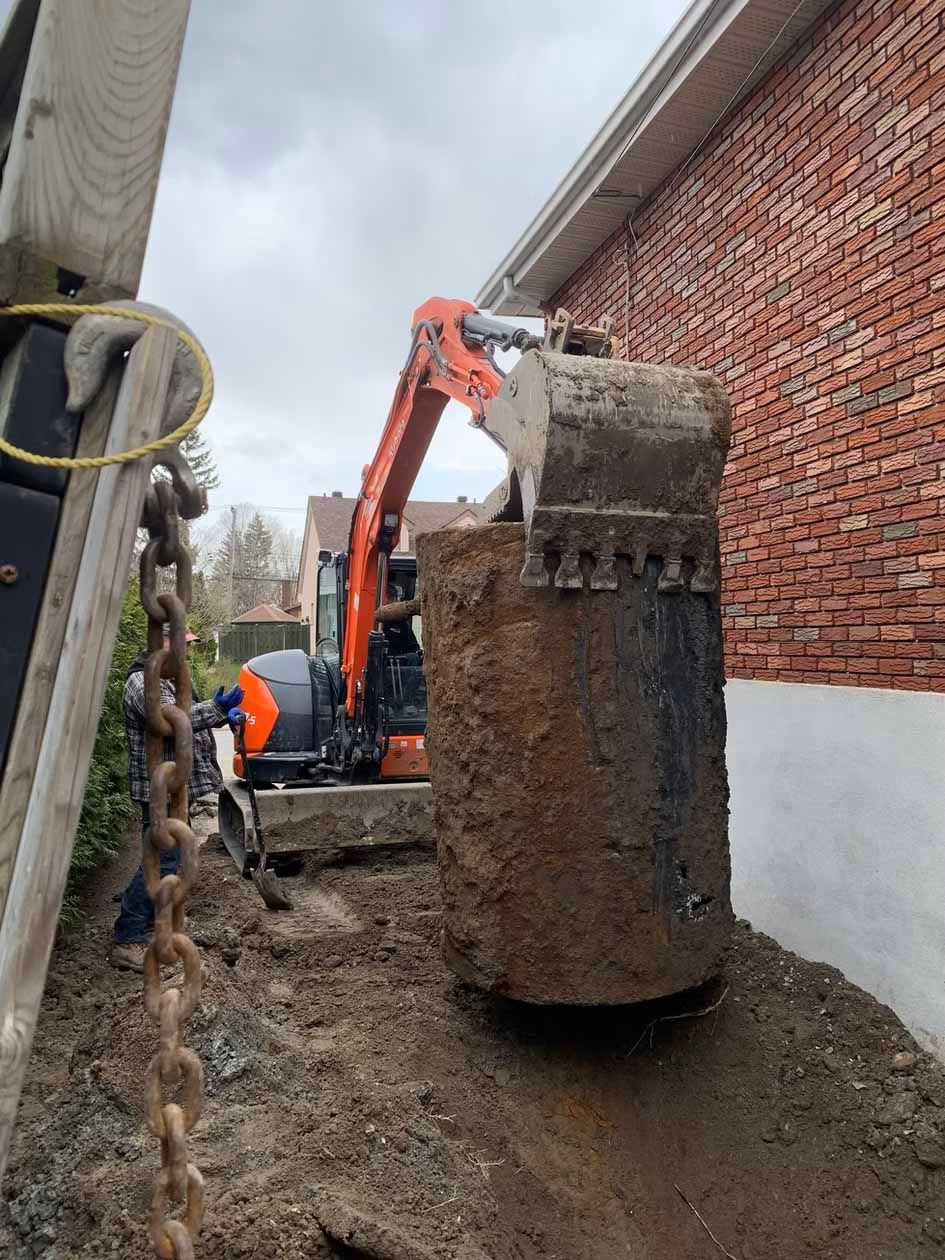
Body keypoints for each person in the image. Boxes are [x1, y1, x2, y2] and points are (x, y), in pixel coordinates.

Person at [109, 630, 244, 971]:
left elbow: (188, 714)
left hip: (173, 788)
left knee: (165, 859)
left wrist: (220, 717)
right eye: (182, 647)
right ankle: (127, 937)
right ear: (161, 643)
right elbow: (171, 720)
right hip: (158, 790)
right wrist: (215, 709)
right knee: (162, 863)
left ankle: (149, 923)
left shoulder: (169, 679)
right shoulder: (141, 682)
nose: (187, 655)